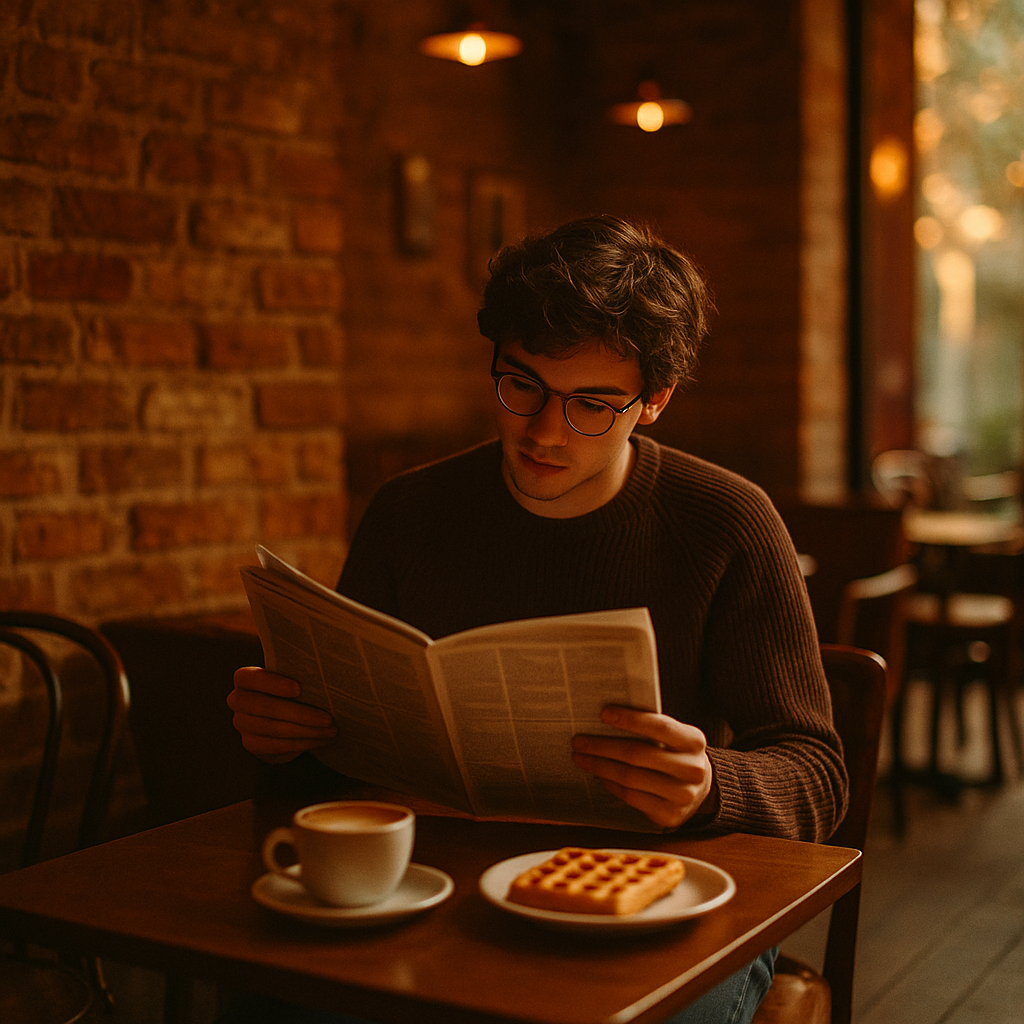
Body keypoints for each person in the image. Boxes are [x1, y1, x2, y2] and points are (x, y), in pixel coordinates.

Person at [227, 215, 849, 1024]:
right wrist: (287, 733)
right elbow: (336, 765)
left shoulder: (727, 522)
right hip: (438, 877)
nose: (545, 432)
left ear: (653, 402)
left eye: (592, 404)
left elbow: (818, 773)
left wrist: (708, 785)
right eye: (522, 385)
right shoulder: (410, 513)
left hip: (659, 896)